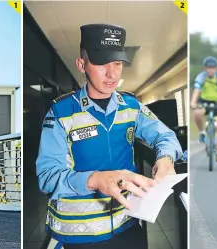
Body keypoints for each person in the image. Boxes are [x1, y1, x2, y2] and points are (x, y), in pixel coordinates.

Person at [36, 23, 183, 249]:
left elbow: (165, 136)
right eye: (101, 62)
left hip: (127, 223)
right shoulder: (60, 114)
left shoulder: (131, 106)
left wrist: (165, 159)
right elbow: (47, 177)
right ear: (81, 63)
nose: (112, 73)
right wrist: (95, 180)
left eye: (117, 63)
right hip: (79, 233)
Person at [190, 56, 217, 163]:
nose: (210, 70)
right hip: (204, 102)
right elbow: (196, 91)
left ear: (216, 68)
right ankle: (202, 132)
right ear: (205, 68)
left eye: (213, 68)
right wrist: (193, 102)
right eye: (208, 68)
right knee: (198, 113)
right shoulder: (201, 77)